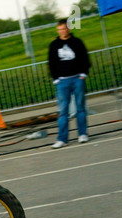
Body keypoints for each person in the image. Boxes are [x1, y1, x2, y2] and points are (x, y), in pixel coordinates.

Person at [48, 18, 91, 149]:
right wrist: (56, 78)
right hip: (62, 82)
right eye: (59, 29)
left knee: (80, 108)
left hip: (77, 79)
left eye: (64, 28)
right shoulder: (54, 45)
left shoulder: (77, 42)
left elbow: (85, 58)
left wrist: (83, 74)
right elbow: (51, 62)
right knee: (63, 111)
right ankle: (62, 139)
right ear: (58, 30)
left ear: (69, 28)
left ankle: (82, 134)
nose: (62, 31)